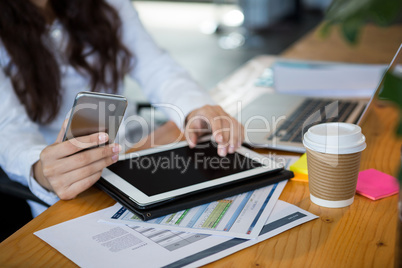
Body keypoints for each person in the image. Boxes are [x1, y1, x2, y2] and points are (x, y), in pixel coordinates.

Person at [0, 0, 244, 217]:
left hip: (133, 156)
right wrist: (41, 171)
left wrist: (195, 109)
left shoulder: (109, 5)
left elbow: (156, 68)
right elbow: (8, 127)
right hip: (65, 180)